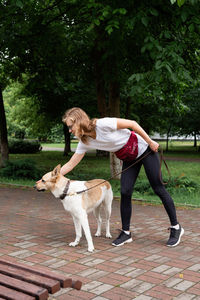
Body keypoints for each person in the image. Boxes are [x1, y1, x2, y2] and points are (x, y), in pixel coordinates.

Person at [60, 107, 184, 247]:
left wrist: (150, 141)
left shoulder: (102, 124)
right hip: (129, 157)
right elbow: (70, 164)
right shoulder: (85, 142)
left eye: (71, 126)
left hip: (146, 150)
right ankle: (126, 233)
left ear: (79, 121)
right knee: (125, 192)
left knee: (158, 188)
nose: (70, 130)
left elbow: (132, 124)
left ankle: (176, 227)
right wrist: (50, 177)